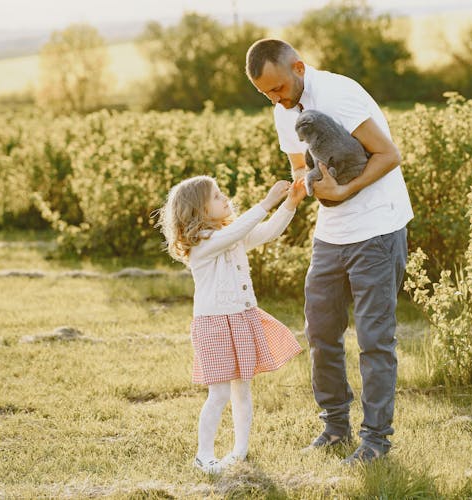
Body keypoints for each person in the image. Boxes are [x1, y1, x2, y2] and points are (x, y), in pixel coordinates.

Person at [245, 39, 414, 464]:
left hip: (377, 227)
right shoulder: (283, 111)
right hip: (331, 233)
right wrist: (297, 191)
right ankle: (335, 428)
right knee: (320, 333)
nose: (277, 100)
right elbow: (301, 167)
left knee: (375, 338)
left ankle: (375, 440)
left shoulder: (340, 93)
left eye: (279, 89)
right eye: (266, 94)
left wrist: (344, 189)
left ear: (299, 68)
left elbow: (388, 154)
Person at [157, 175, 306, 474]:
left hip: (241, 318)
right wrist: (267, 201)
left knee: (243, 390)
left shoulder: (230, 234)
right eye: (216, 196)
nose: (225, 199)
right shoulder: (201, 244)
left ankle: (240, 450)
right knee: (220, 393)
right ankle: (204, 455)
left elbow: (266, 232)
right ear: (197, 210)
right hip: (213, 324)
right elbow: (238, 230)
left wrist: (290, 203)